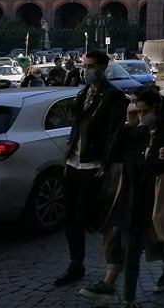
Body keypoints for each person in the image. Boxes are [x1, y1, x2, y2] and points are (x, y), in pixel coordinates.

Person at [114, 90, 164, 308]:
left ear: (157, 108)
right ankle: (129, 301)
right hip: (133, 202)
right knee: (131, 252)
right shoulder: (135, 132)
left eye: (145, 111)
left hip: (157, 201)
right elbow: (113, 154)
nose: (141, 116)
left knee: (162, 246)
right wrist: (128, 124)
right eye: (138, 111)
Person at [54, 50, 129, 287]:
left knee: (90, 215)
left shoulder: (114, 96)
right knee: (71, 217)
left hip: (94, 163)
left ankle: (115, 261)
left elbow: (115, 132)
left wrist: (107, 162)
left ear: (104, 67)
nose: (87, 70)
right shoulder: (84, 92)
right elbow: (76, 124)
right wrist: (68, 157)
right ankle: (76, 263)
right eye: (85, 66)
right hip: (74, 162)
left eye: (92, 66)